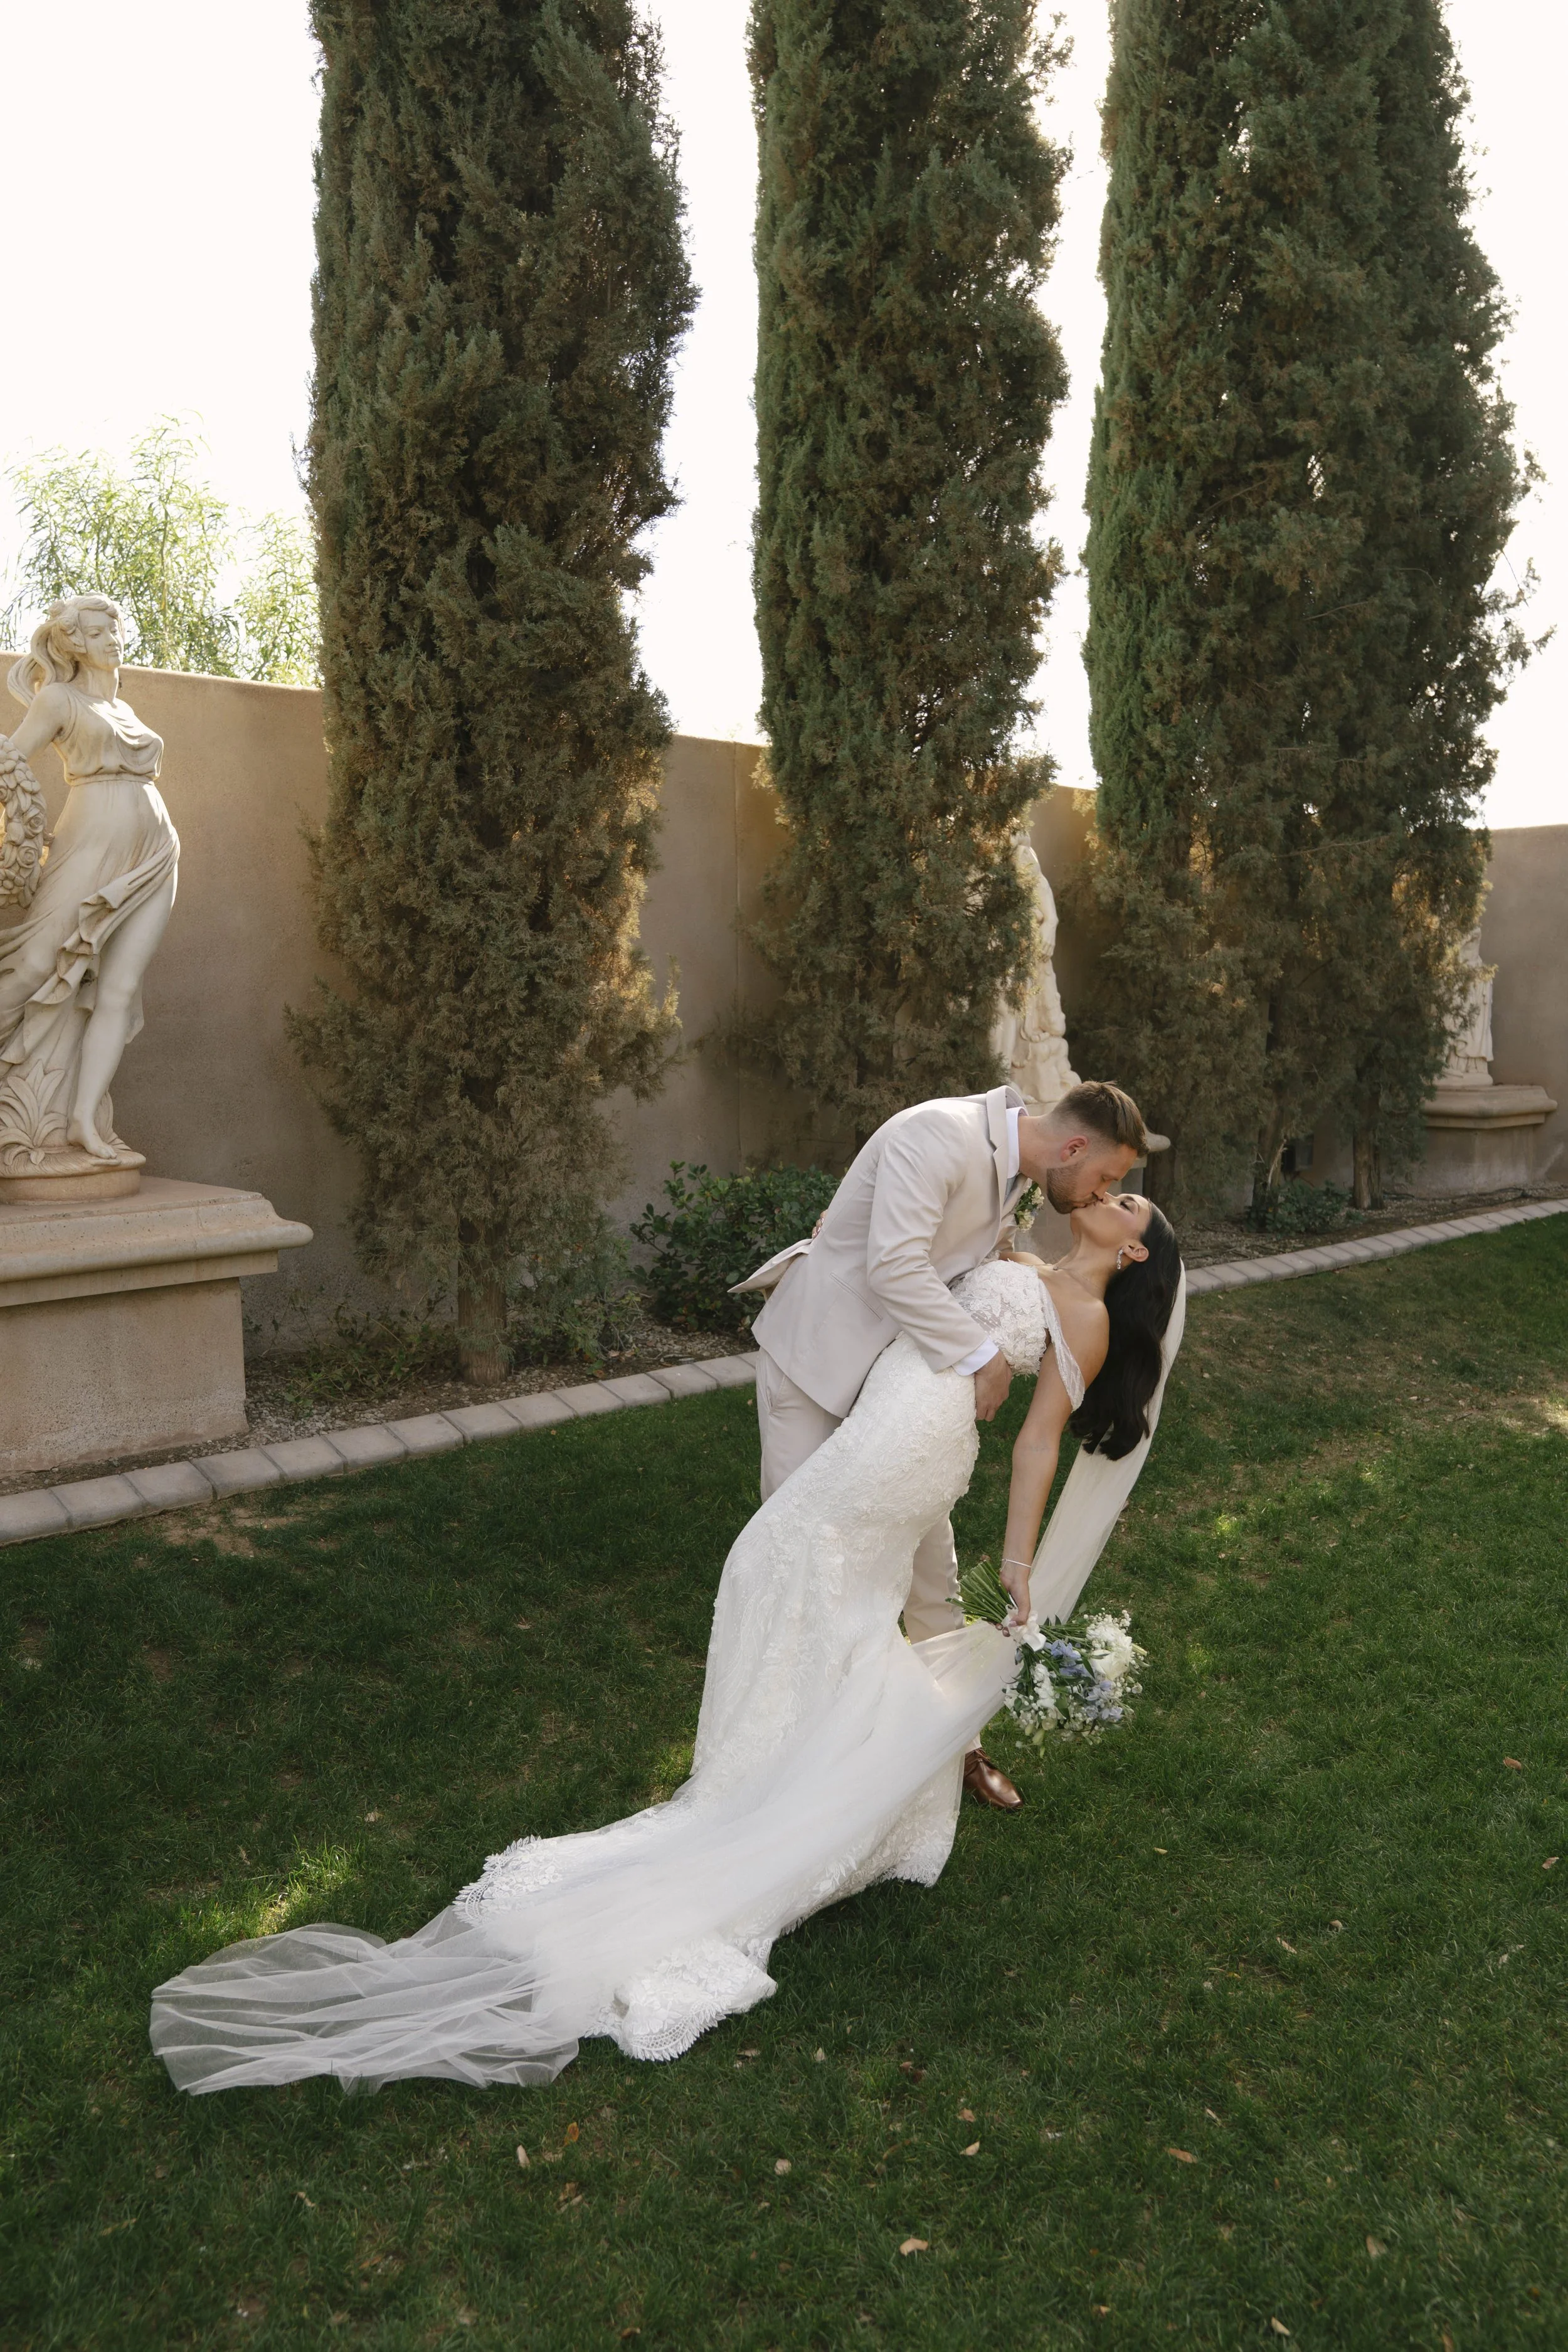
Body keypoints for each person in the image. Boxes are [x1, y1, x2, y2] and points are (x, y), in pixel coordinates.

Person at [149, 1182, 1184, 2097]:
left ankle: (820, 1793)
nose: (1110, 1194)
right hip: (887, 1423)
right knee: (782, 1574)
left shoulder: (1084, 1309)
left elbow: (1041, 1440)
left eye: (1128, 1202)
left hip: (915, 1452)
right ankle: (830, 1773)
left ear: (1133, 1250)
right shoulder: (1020, 1260)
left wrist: (1015, 1566)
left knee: (790, 1568)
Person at [741, 1078, 1149, 1809]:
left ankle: (953, 1745)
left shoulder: (1019, 1171)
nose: (1098, 1193)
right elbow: (893, 1263)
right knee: (808, 1558)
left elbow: (971, 1259)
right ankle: (800, 1761)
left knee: (935, 1571)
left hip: (900, 1387)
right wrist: (982, 1358)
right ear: (1075, 1147)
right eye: (1106, 1178)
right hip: (815, 1363)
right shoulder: (939, 1134)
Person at [0, 597, 178, 1173]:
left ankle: (81, 1121)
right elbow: (9, 761)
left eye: (115, 631)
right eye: (99, 633)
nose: (112, 641)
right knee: (36, 962)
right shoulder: (59, 699)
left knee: (118, 990)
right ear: (75, 643)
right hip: (91, 839)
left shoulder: (122, 705)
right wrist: (18, 839)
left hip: (156, 849)